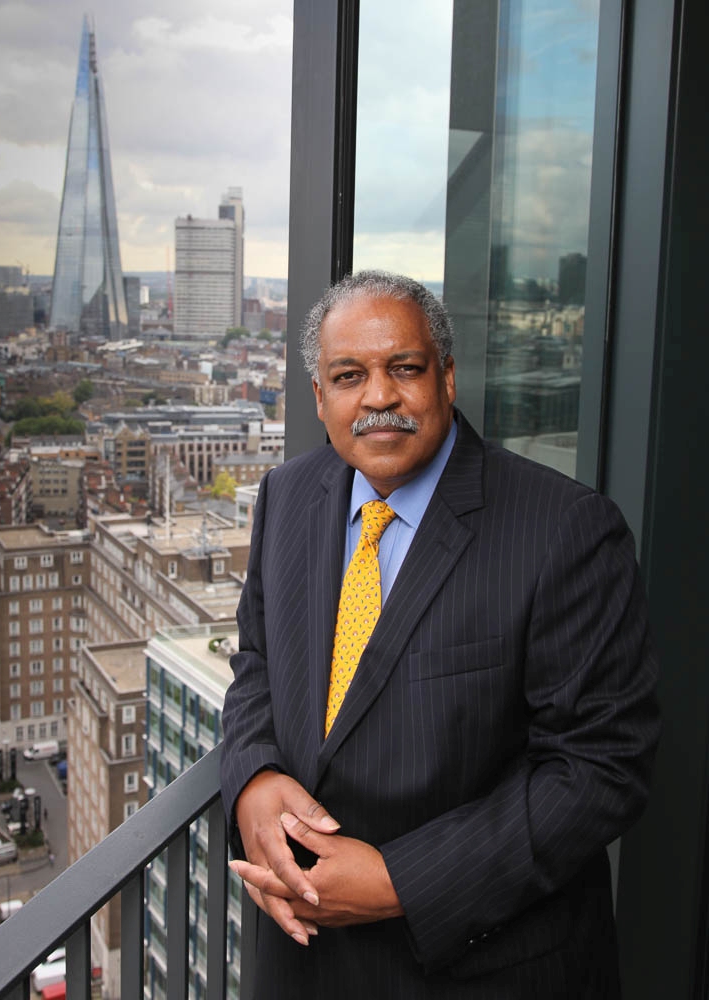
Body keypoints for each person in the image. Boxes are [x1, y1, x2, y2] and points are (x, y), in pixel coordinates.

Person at [221, 271, 660, 999]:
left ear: (447, 378)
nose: (379, 397)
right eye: (349, 376)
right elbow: (257, 665)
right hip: (301, 963)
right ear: (320, 398)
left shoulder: (564, 530)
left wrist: (401, 882)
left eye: (404, 368)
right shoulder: (287, 495)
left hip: (479, 971)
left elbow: (601, 765)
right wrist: (254, 778)